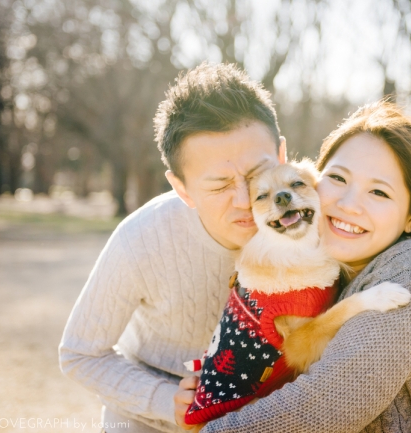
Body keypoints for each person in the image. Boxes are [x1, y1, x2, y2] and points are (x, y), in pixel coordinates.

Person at [191, 101, 411, 433]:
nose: (349, 204)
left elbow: (323, 407)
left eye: (379, 192)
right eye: (338, 178)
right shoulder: (326, 266)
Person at [58, 62, 287, 433]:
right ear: (182, 189)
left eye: (257, 173)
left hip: (259, 413)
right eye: (218, 186)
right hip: (147, 414)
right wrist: (167, 402)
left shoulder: (314, 219)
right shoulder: (141, 238)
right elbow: (80, 354)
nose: (245, 201)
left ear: (282, 156)